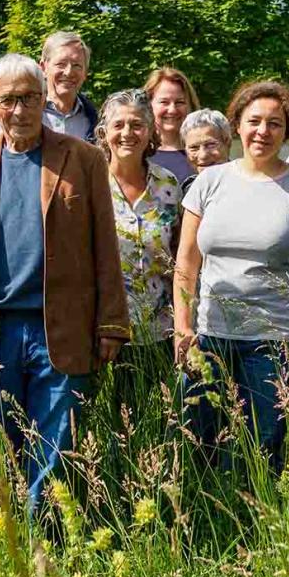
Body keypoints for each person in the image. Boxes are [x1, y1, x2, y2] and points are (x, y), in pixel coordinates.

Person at [0, 53, 128, 509]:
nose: (20, 110)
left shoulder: (83, 160)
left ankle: (46, 543)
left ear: (44, 100)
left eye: (29, 98)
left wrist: (111, 323)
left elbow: (105, 245)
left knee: (56, 451)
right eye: (9, 100)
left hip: (61, 329)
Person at [176, 81, 289, 475]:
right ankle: (205, 524)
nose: (263, 131)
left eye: (275, 123)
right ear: (237, 125)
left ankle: (259, 525)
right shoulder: (210, 182)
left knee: (263, 445)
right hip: (211, 334)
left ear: (287, 131)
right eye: (254, 121)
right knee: (199, 440)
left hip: (278, 337)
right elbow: (186, 262)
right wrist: (184, 328)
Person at [97, 89, 182, 420]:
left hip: (157, 331)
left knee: (155, 424)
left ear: (150, 131)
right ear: (104, 131)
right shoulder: (90, 181)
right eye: (119, 125)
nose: (127, 133)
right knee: (105, 425)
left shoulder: (167, 184)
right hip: (102, 330)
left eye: (137, 124)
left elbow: (178, 255)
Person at [143, 67, 200, 185]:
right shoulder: (137, 153)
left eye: (180, 102)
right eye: (164, 102)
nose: (172, 110)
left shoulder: (206, 153)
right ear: (149, 105)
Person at [40, 31, 99, 143]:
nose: (68, 72)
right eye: (61, 64)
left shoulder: (95, 120)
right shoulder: (24, 113)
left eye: (76, 65)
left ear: (85, 73)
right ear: (43, 68)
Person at [179, 109, 232, 195]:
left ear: (227, 143)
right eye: (194, 148)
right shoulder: (185, 191)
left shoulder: (245, 184)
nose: (203, 155)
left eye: (211, 145)